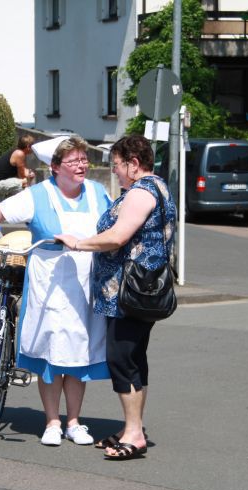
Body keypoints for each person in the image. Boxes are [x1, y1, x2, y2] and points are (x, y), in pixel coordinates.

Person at [0, 135, 111, 446]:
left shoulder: (98, 192)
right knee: (50, 351)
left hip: (86, 280)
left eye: (83, 159)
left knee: (78, 352)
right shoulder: (38, 194)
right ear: (55, 167)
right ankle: (52, 422)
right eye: (74, 160)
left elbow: (117, 224)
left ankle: (74, 422)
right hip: (49, 282)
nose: (82, 165)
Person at [56, 134, 176, 460]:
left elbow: (118, 237)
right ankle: (131, 427)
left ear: (134, 164)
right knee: (134, 359)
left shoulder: (140, 193)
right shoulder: (158, 187)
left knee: (122, 359)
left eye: (118, 165)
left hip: (128, 293)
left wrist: (79, 243)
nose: (115, 172)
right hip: (144, 291)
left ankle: (134, 435)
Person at [0, 134, 36, 205]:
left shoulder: (16, 151)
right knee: (23, 183)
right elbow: (22, 176)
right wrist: (29, 176)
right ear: (28, 147)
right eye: (33, 146)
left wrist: (29, 172)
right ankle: (21, 206)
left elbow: (23, 170)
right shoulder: (19, 154)